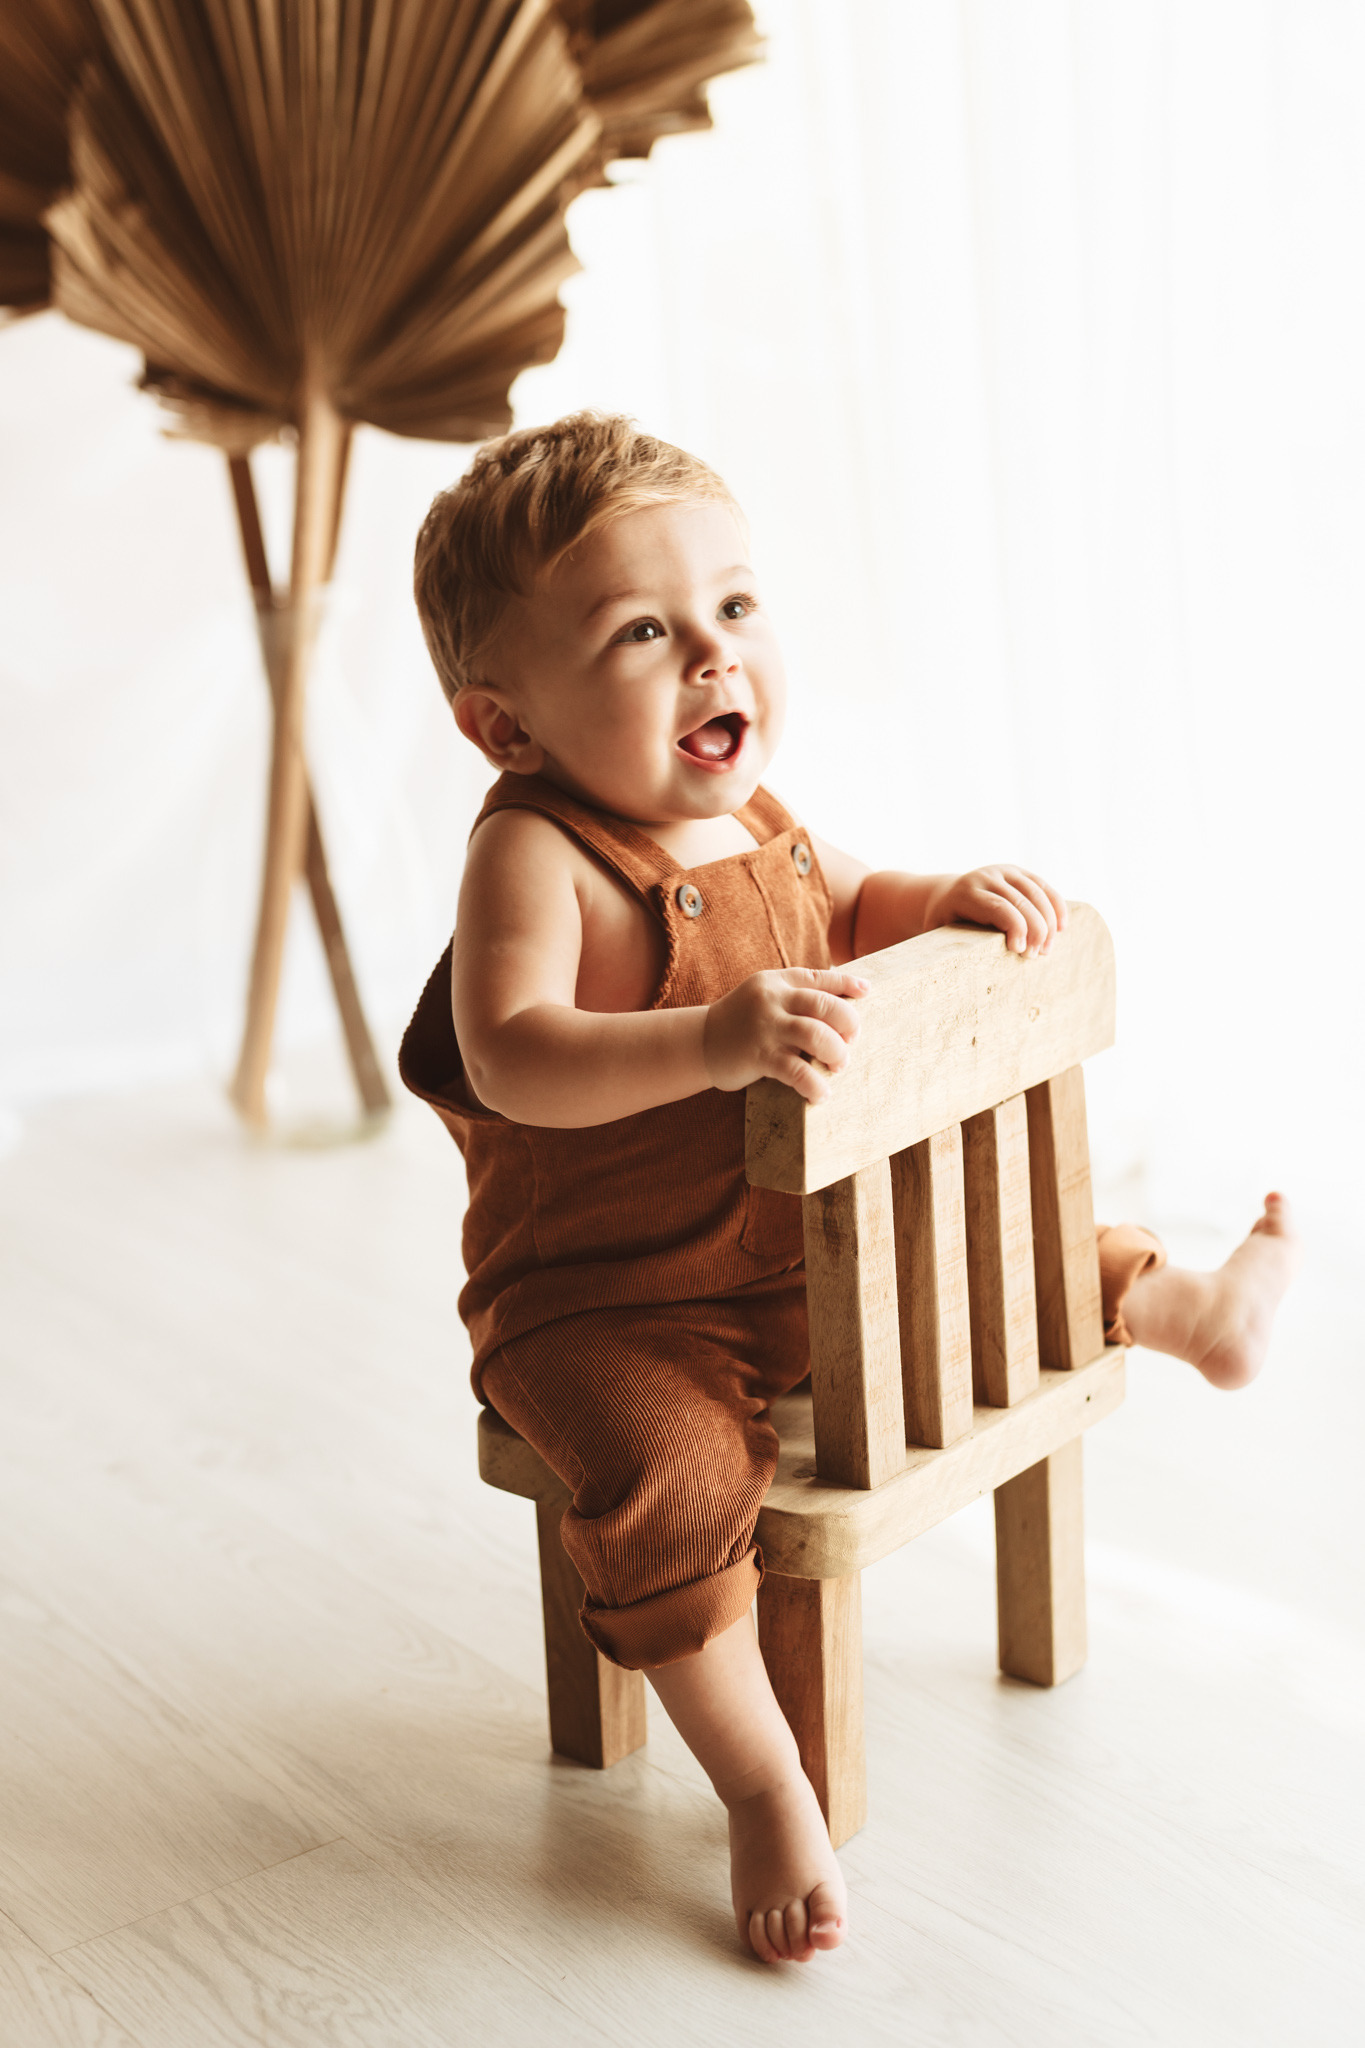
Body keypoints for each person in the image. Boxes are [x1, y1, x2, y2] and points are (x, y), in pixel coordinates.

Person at [400, 412, 1298, 1966]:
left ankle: (1179, 1304)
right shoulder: (534, 858)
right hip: (605, 1306)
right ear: (506, 728)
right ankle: (761, 1782)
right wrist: (710, 1039)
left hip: (789, 1256)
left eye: (734, 606)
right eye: (642, 632)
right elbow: (512, 1053)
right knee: (672, 1477)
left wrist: (934, 896)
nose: (713, 656)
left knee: (980, 1262)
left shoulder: (748, 814)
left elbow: (844, 898)